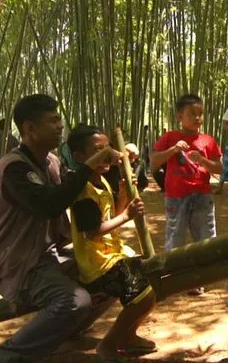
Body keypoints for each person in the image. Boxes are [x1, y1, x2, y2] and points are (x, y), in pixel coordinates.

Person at [0, 94, 121, 362]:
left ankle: (65, 331)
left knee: (113, 272)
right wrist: (89, 164)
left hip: (45, 255)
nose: (60, 126)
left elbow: (79, 185)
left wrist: (113, 164)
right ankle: (4, 358)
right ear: (29, 129)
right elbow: (49, 205)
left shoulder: (52, 162)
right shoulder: (14, 169)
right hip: (15, 262)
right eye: (53, 121)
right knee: (74, 301)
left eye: (60, 120)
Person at [67, 125, 157, 359]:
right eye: (98, 150)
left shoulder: (103, 181)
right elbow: (92, 232)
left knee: (150, 286)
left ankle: (128, 336)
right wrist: (126, 216)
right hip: (98, 262)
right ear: (79, 157)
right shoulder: (83, 191)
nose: (106, 154)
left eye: (107, 148)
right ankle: (110, 343)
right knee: (142, 296)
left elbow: (111, 215)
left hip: (113, 254)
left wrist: (124, 197)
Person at [150, 94, 222, 295]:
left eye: (200, 114)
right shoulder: (169, 138)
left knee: (206, 238)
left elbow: (219, 168)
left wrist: (203, 160)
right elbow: (154, 162)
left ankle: (201, 279)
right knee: (175, 236)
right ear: (180, 116)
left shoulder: (208, 140)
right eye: (192, 114)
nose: (198, 118)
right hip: (176, 196)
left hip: (202, 195)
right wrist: (172, 150)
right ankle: (173, 277)